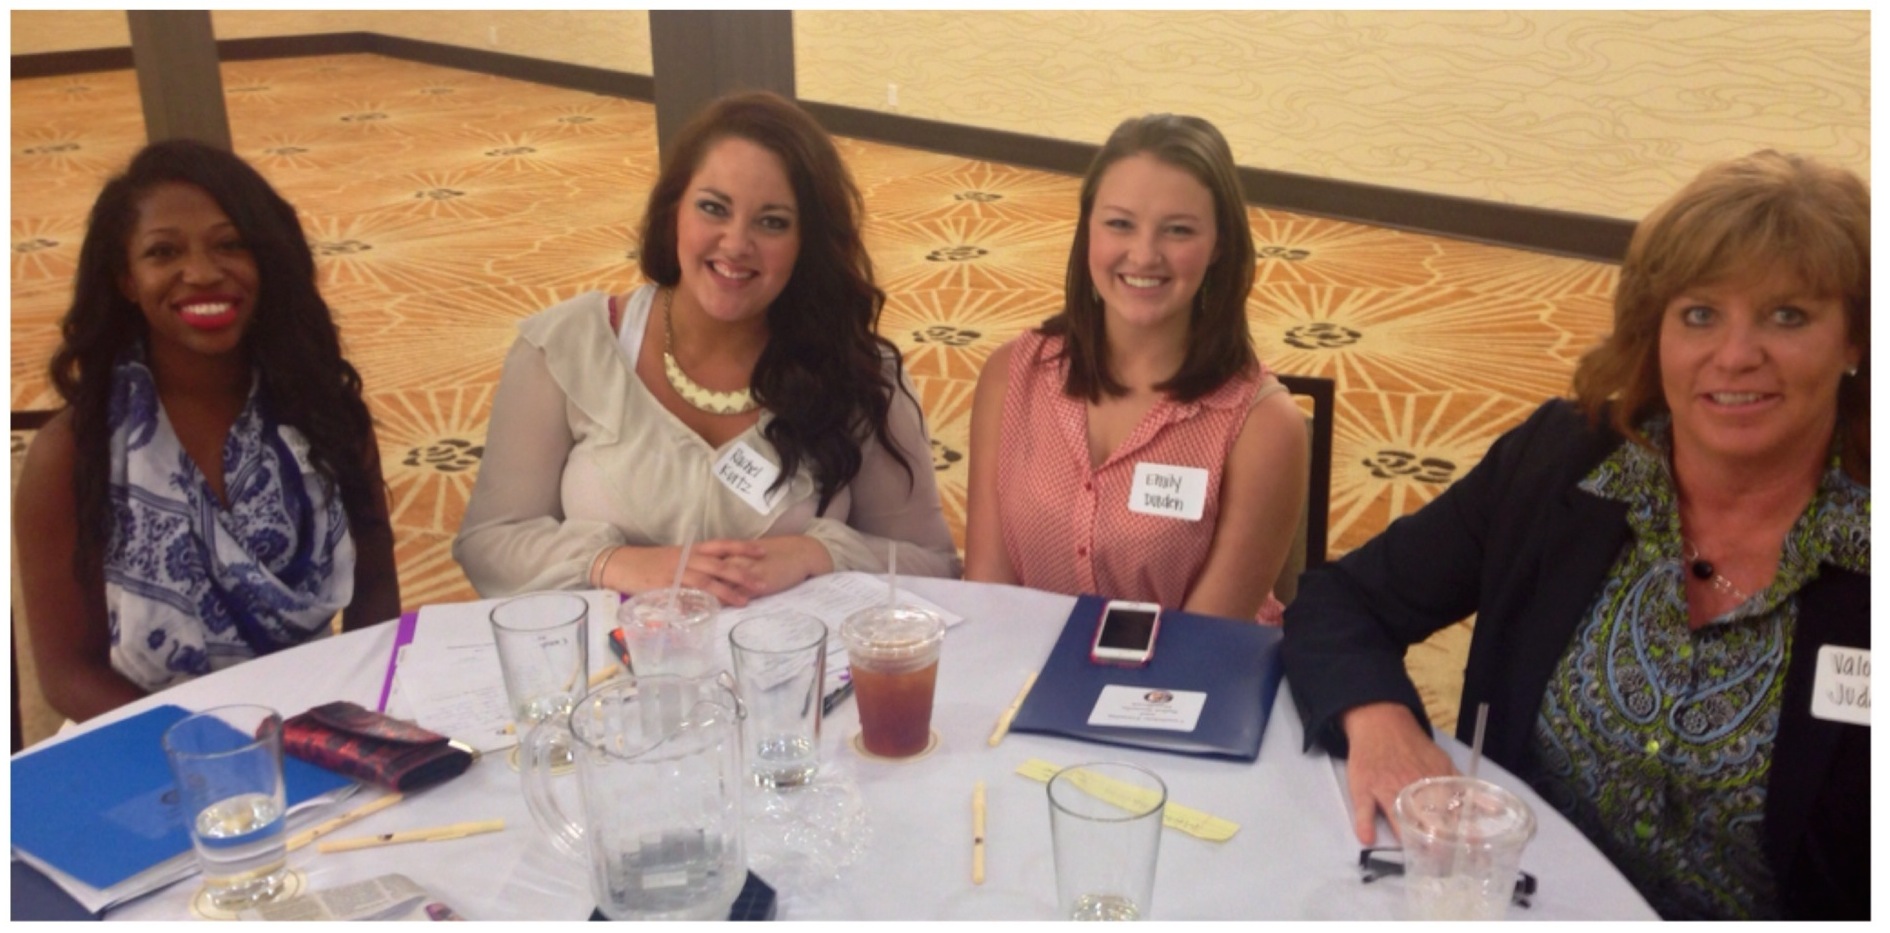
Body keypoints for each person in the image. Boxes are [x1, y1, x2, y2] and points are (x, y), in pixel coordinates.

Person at [1281, 151, 1868, 920]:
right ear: (1654, 332)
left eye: (1787, 315)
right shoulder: (1565, 463)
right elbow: (1342, 600)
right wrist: (1380, 719)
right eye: (1700, 314)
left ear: (1856, 340)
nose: (1735, 354)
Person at [453, 92, 959, 605]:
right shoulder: (566, 348)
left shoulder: (856, 370)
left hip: (789, 653)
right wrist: (614, 563)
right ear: (673, 210)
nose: (736, 244)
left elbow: (933, 563)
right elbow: (490, 541)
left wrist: (818, 553)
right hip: (611, 653)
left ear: (808, 241)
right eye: (713, 208)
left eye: (772, 221)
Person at [15, 140, 402, 722]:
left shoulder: (325, 414)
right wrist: (218, 748)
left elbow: (376, 594)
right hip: (145, 737)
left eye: (230, 245)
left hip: (317, 721)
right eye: (163, 252)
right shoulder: (75, 451)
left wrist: (354, 721)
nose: (201, 273)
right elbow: (69, 674)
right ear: (126, 279)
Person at [963, 114, 1307, 622]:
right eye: (1120, 224)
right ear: (1087, 230)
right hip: (1029, 665)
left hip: (1187, 670)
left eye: (1178, 230)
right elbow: (989, 596)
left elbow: (1200, 644)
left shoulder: (1262, 428)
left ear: (1219, 245)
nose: (1144, 255)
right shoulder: (1011, 377)